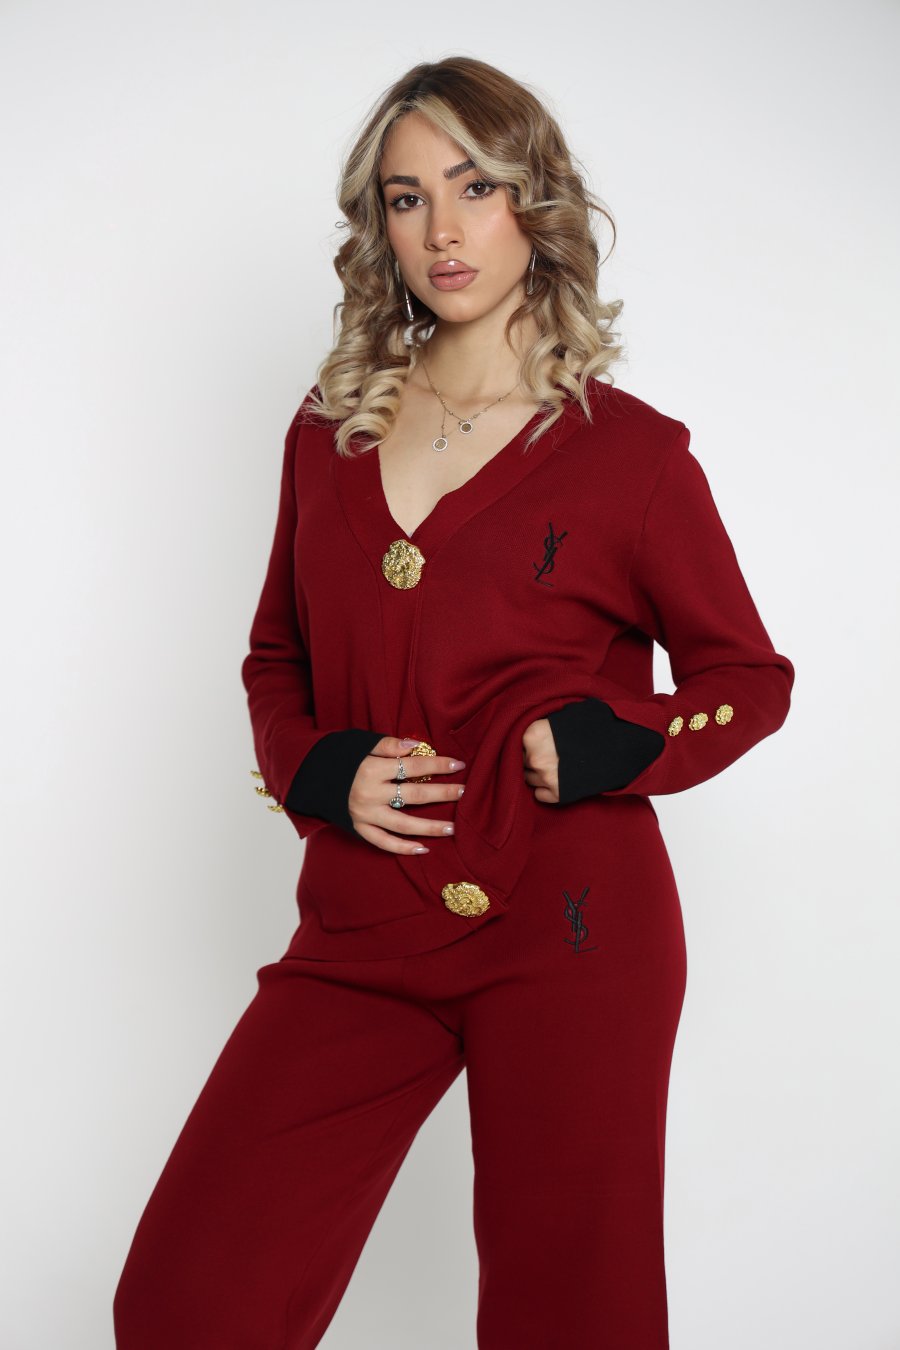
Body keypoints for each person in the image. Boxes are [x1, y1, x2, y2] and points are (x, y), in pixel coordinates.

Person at [113, 56, 794, 1349]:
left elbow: (748, 682)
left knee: (571, 1322)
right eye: (406, 196)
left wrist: (614, 739)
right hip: (363, 924)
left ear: (534, 200)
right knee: (189, 1300)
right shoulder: (331, 429)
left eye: (474, 187)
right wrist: (320, 770)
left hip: (573, 930)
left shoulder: (633, 455)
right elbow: (274, 654)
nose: (442, 229)